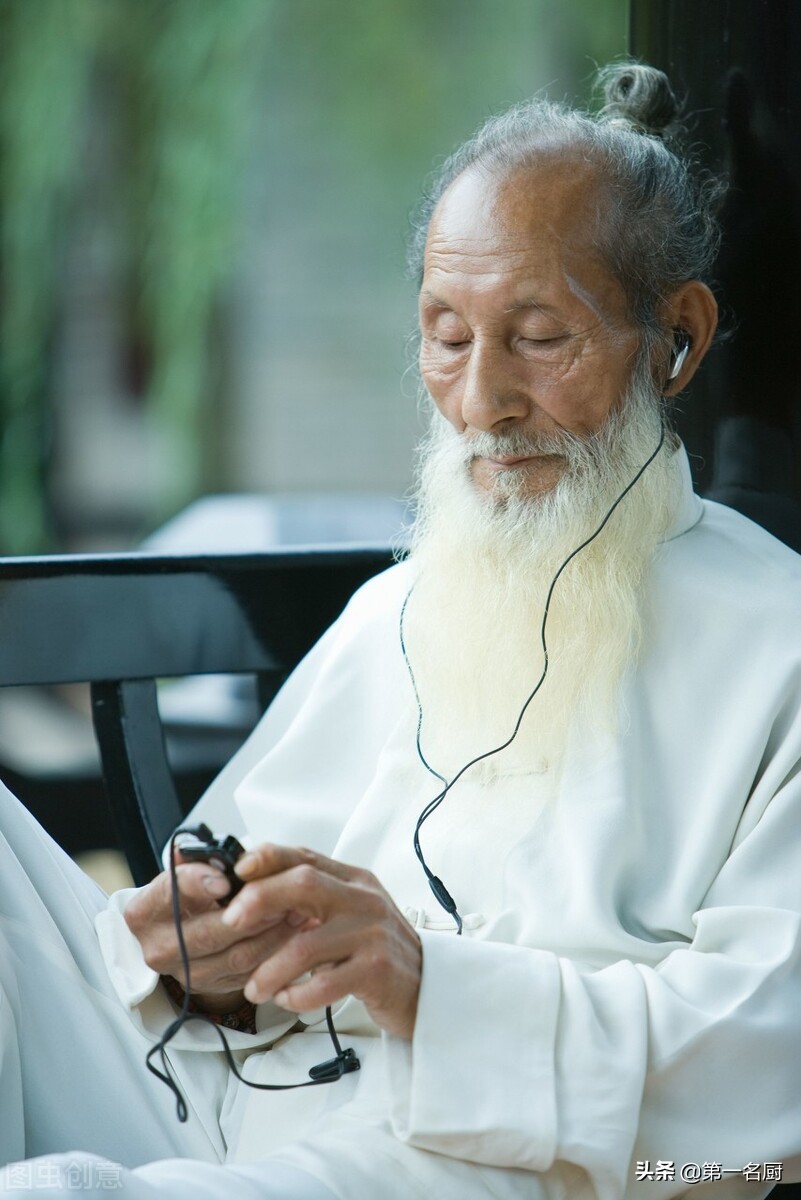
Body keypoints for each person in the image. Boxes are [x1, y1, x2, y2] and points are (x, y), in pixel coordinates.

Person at [2, 61, 801, 1199]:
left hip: (495, 1163)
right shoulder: (409, 600)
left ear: (676, 337)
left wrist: (430, 987)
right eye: (445, 335)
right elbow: (220, 930)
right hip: (221, 1112)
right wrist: (196, 954)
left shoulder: (780, 643)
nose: (480, 402)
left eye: (537, 337)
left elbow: (771, 1079)